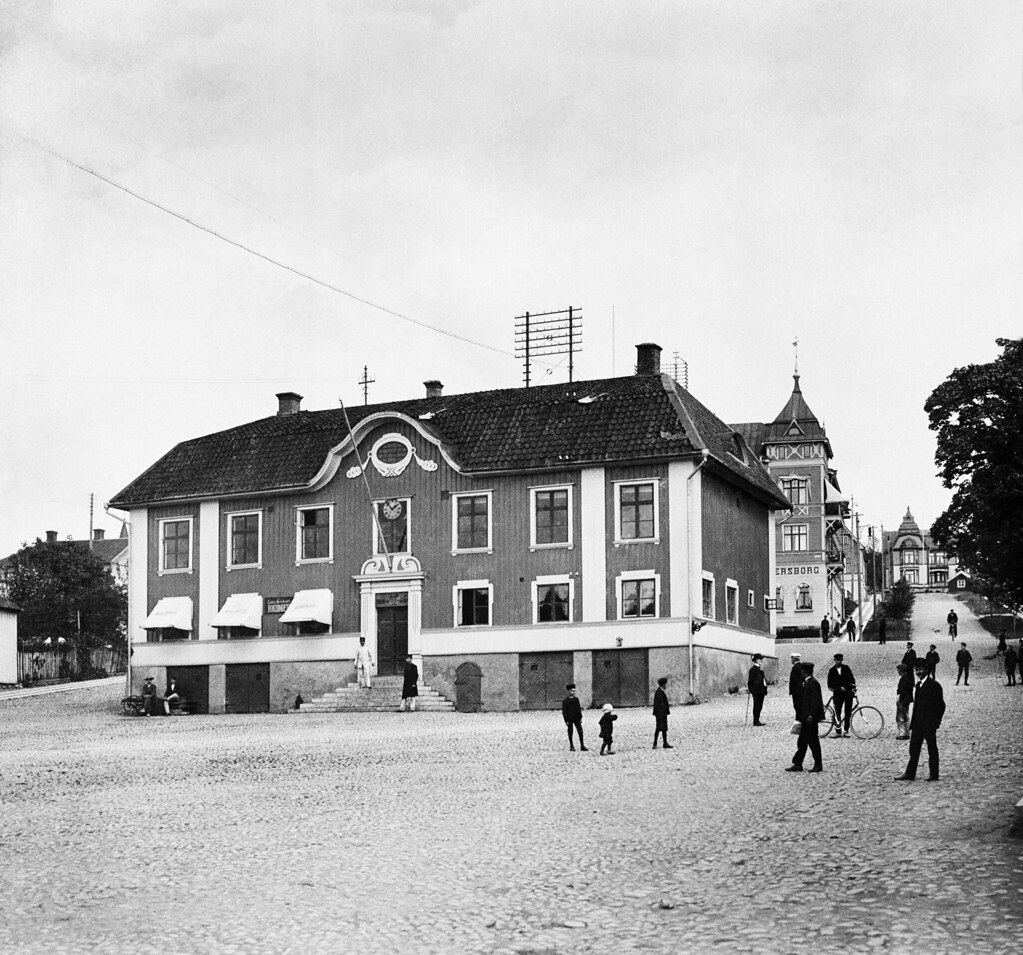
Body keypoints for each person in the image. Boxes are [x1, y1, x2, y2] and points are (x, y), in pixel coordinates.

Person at [895, 659, 945, 782]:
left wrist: (936, 722)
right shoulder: (917, 686)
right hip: (918, 724)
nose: (918, 672)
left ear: (926, 669)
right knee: (914, 750)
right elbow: (917, 706)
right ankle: (910, 773)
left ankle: (934, 774)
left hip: (929, 724)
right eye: (916, 669)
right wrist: (913, 723)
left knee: (932, 749)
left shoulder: (934, 685)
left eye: (921, 669)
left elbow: (941, 706)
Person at [785, 661, 824, 773]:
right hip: (805, 718)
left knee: (813, 742)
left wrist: (811, 715)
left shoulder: (813, 683)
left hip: (810, 719)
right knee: (802, 742)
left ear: (805, 672)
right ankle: (798, 763)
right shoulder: (808, 683)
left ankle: (818, 764)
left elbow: (816, 702)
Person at [826, 653, 857, 737]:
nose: (838, 662)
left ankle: (846, 730)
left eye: (840, 660)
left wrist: (853, 687)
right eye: (837, 660)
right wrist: (839, 688)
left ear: (842, 660)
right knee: (837, 713)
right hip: (838, 695)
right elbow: (830, 684)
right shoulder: (831, 671)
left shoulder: (846, 668)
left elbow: (852, 679)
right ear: (834, 660)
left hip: (847, 694)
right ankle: (838, 731)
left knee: (848, 713)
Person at [562, 683, 587, 751]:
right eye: (571, 691)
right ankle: (571, 745)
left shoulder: (576, 699)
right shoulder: (565, 701)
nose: (573, 692)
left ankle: (582, 745)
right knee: (570, 732)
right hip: (569, 718)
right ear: (568, 691)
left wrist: (580, 717)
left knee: (580, 731)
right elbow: (564, 711)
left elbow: (578, 709)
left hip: (576, 718)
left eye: (574, 691)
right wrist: (566, 720)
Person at [747, 654, 767, 726]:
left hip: (761, 691)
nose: (761, 661)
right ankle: (755, 721)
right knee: (757, 705)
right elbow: (750, 681)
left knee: (760, 705)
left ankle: (757, 719)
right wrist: (751, 690)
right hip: (757, 691)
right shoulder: (753, 670)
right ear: (757, 660)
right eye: (760, 659)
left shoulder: (759, 669)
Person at [652, 677, 672, 748]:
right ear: (663, 684)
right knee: (658, 728)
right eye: (665, 684)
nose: (665, 686)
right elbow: (659, 704)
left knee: (664, 729)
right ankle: (655, 743)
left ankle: (664, 743)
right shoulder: (659, 692)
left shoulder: (660, 691)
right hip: (660, 714)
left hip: (662, 713)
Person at [895, 663, 913, 740]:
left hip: (903, 700)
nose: (898, 672)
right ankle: (906, 732)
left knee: (901, 717)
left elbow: (903, 691)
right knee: (905, 716)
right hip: (905, 700)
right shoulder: (907, 678)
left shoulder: (904, 679)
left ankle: (903, 733)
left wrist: (900, 700)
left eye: (898, 670)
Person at [788, 652, 805, 719]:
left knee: (797, 705)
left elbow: (795, 680)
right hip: (799, 690)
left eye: (791, 659)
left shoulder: (795, 667)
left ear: (793, 659)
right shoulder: (801, 666)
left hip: (796, 691)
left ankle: (799, 718)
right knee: (799, 705)